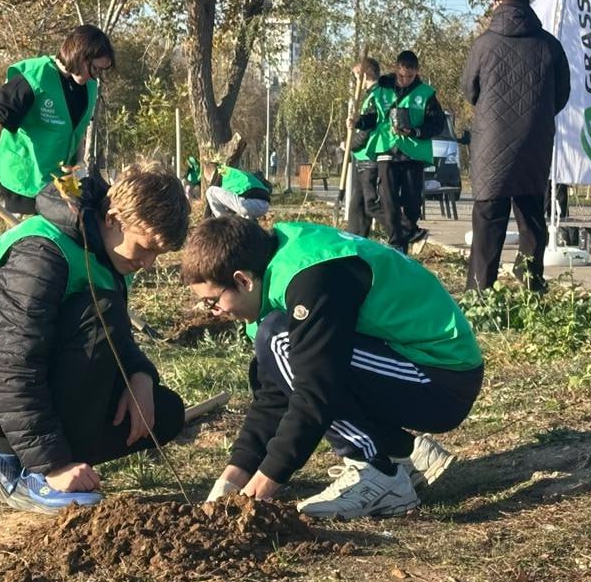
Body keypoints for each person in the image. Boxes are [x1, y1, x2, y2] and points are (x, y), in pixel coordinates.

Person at [0, 167, 191, 514]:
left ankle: (5, 447)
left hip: (16, 368)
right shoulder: (41, 253)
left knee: (163, 413)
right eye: (145, 248)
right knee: (101, 312)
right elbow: (11, 362)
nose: (148, 263)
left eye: (158, 255)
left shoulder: (104, 248)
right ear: (112, 219)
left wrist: (139, 374)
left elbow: (114, 335)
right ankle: (33, 471)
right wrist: (53, 465)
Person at [184, 217, 484, 520]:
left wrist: (258, 491)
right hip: (408, 367)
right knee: (279, 341)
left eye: (213, 302)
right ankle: (403, 454)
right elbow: (274, 397)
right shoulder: (274, 275)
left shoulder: (311, 277)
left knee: (283, 342)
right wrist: (232, 479)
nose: (215, 313)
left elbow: (316, 392)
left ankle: (378, 472)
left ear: (243, 280)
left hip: (442, 379)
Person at [462, 0, 570, 292]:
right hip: (535, 140)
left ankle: (480, 291)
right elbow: (562, 94)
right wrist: (537, 118)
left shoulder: (484, 44)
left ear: (498, 4)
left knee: (488, 217)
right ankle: (531, 285)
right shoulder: (549, 45)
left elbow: (469, 90)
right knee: (532, 215)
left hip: (491, 141)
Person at [0, 25, 113, 215]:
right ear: (80, 56)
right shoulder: (33, 79)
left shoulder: (88, 87)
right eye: (94, 68)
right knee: (28, 237)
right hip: (24, 176)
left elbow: (77, 130)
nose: (96, 76)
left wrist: (79, 166)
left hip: (59, 180)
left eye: (100, 71)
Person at [354, 52, 444, 251]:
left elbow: (437, 124)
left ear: (417, 72)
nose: (404, 80)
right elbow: (371, 117)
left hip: (413, 153)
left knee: (412, 202)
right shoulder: (382, 90)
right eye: (401, 76)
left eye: (409, 76)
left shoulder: (426, 93)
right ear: (396, 69)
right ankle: (397, 244)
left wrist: (415, 130)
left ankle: (410, 231)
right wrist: (358, 122)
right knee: (389, 201)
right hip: (387, 151)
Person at [346, 57, 384, 238]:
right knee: (358, 206)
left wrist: (349, 145)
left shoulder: (374, 97)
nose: (356, 83)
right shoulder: (371, 96)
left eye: (356, 78)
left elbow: (368, 129)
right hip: (363, 157)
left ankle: (408, 231)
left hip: (369, 157)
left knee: (370, 205)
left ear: (364, 75)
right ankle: (355, 240)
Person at [204, 162, 271, 219]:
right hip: (264, 204)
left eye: (208, 181)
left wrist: (205, 222)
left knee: (210, 191)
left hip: (248, 203)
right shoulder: (232, 173)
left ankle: (225, 224)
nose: (210, 182)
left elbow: (209, 206)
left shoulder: (219, 171)